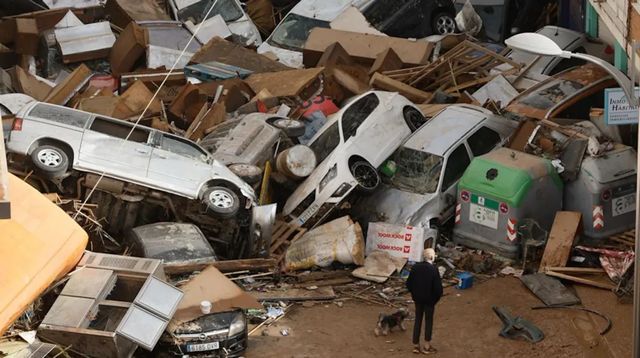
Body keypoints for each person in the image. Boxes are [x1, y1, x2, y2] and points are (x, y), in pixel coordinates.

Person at [406, 248, 443, 354]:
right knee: (428, 321)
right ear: (431, 257)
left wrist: (414, 295)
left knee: (418, 320)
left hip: (418, 299)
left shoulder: (415, 267)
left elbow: (409, 284)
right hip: (429, 300)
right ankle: (427, 345)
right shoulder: (433, 269)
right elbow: (438, 289)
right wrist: (434, 300)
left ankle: (416, 345)